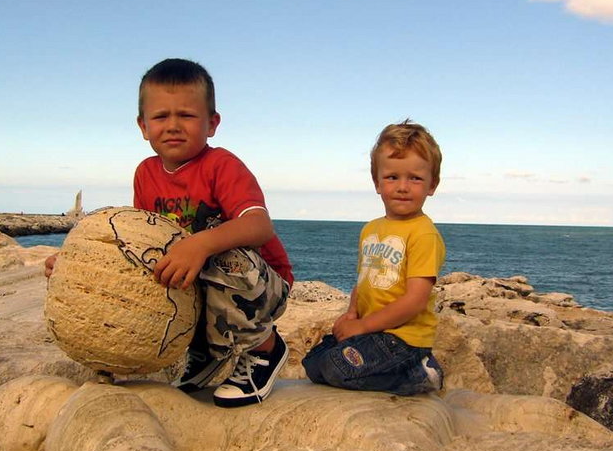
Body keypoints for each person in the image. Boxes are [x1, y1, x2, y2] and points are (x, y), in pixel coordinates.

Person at [46, 58, 293, 408]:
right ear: (143, 126)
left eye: (187, 116)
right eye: (161, 117)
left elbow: (259, 225)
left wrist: (200, 243)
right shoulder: (146, 173)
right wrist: (78, 262)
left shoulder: (221, 165)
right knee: (159, 268)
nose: (173, 126)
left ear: (212, 123)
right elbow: (138, 241)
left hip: (260, 288)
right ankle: (207, 354)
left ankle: (264, 349)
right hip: (204, 283)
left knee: (220, 256)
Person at [302, 120, 445, 396]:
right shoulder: (371, 229)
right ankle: (389, 369)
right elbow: (364, 280)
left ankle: (419, 373)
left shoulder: (423, 233)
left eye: (415, 178)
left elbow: (415, 301)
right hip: (373, 333)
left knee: (336, 368)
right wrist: (351, 315)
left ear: (432, 185)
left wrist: (363, 326)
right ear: (377, 182)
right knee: (313, 364)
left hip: (403, 340)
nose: (403, 187)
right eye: (392, 177)